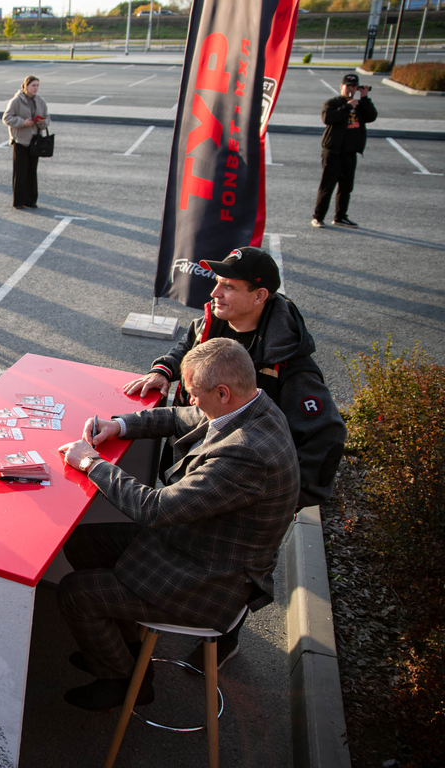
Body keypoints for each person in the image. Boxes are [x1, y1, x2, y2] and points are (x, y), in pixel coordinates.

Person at [124, 246, 346, 668]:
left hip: (245, 486)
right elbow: (186, 347)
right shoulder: (212, 321)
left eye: (229, 286)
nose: (216, 293)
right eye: (217, 283)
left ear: (259, 296)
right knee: (188, 542)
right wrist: (164, 370)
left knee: (232, 562)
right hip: (203, 464)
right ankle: (167, 607)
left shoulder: (290, 363)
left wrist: (286, 495)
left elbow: (327, 435)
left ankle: (222, 639)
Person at [56, 338, 300, 711]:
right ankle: (124, 652)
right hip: (195, 545)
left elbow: (153, 509)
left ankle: (125, 682)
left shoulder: (247, 454)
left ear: (222, 392)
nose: (191, 401)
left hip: (211, 579)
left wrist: (91, 463)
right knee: (82, 542)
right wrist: (119, 425)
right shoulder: (251, 405)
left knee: (75, 593)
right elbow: (181, 417)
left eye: (193, 393)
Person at [311, 73, 377, 229]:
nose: (351, 89)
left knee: (346, 186)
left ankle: (340, 216)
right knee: (328, 185)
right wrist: (347, 106)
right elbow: (327, 118)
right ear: (341, 86)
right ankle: (318, 217)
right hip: (332, 151)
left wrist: (365, 97)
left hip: (350, 151)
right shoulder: (333, 103)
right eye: (348, 86)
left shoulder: (359, 105)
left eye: (354, 86)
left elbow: (372, 116)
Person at [2, 75, 50, 210]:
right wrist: (23, 122)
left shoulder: (40, 101)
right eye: (33, 85)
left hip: (35, 141)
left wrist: (42, 122)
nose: (36, 88)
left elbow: (47, 118)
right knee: (20, 171)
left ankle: (31, 200)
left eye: (37, 85)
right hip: (20, 140)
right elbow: (7, 118)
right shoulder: (17, 100)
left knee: (32, 171)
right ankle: (19, 201)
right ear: (26, 86)